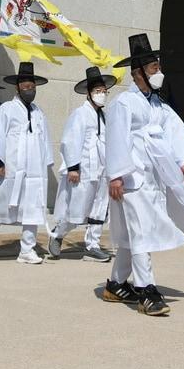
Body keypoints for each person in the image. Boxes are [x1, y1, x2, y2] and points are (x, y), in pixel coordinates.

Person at [102, 33, 184, 317]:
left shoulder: (156, 104)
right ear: (138, 71)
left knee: (133, 233)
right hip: (130, 178)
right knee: (141, 232)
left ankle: (115, 284)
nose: (159, 73)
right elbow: (114, 138)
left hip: (153, 176)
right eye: (154, 68)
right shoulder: (123, 103)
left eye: (158, 67)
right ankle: (146, 290)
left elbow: (172, 132)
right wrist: (115, 175)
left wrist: (182, 161)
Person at [0, 62, 55, 263]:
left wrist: (47, 162)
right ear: (18, 87)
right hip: (12, 168)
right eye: (26, 87)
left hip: (34, 171)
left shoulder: (38, 112)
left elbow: (45, 138)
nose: (30, 90)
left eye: (33, 87)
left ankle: (27, 250)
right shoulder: (7, 109)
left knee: (32, 209)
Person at [47, 66, 114, 262]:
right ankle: (58, 233)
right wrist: (73, 167)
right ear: (89, 93)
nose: (101, 95)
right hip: (84, 169)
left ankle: (93, 244)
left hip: (102, 170)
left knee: (100, 207)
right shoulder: (80, 114)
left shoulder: (104, 116)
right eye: (97, 91)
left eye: (104, 91)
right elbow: (70, 140)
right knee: (77, 208)